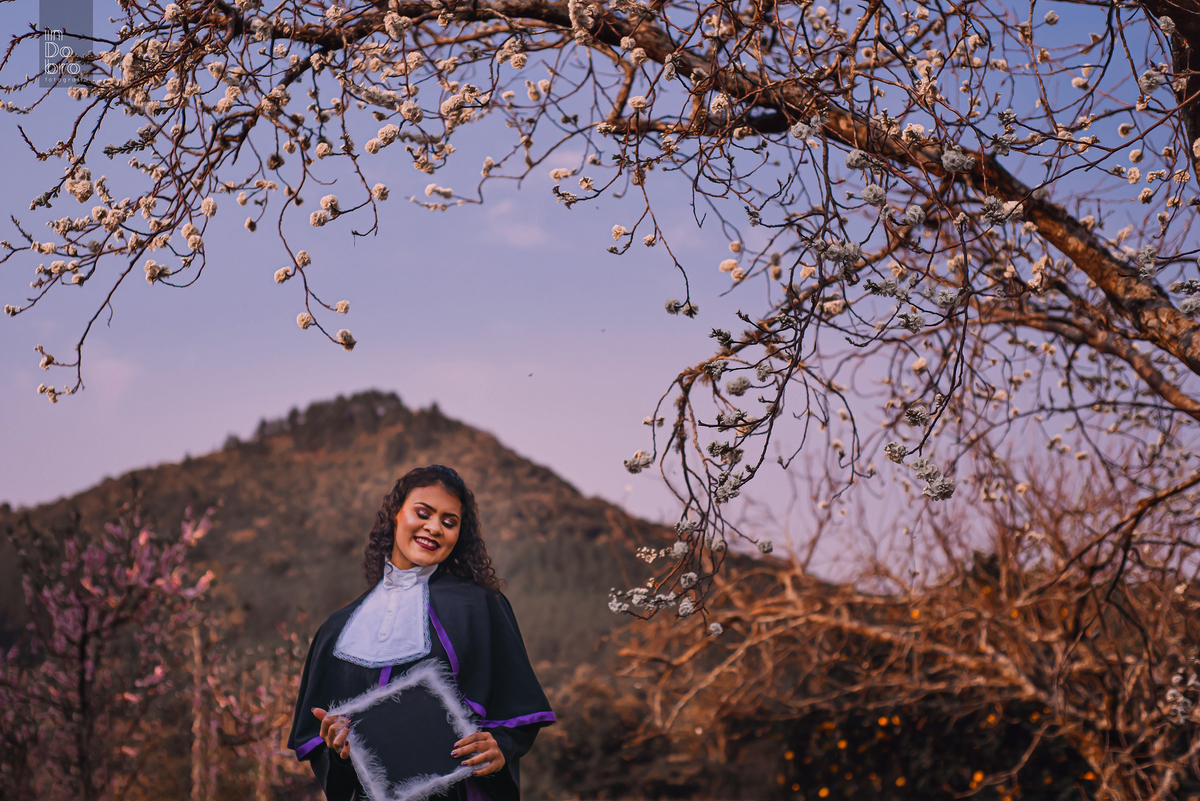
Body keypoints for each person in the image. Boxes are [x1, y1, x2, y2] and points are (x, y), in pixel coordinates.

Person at [288, 465, 555, 801]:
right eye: (423, 513)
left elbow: (517, 709)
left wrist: (500, 745)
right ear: (396, 515)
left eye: (449, 521)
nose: (434, 528)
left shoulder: (482, 607)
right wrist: (338, 751)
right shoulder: (336, 628)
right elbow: (327, 758)